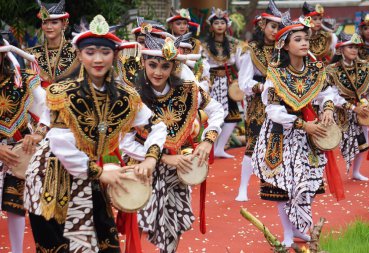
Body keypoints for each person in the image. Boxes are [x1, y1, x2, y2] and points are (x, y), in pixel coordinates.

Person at [23, 15, 167, 252]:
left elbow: (157, 125)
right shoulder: (63, 93)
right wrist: (101, 173)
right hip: (51, 178)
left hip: (90, 175)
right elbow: (60, 144)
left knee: (105, 246)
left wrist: (151, 158)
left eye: (104, 52)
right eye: (90, 52)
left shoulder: (125, 96)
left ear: (115, 55)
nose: (98, 59)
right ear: (79, 55)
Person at [120, 29, 224, 252]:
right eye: (153, 65)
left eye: (165, 66)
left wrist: (208, 140)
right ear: (144, 64)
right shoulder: (132, 95)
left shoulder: (188, 91)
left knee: (173, 223)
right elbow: (124, 141)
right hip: (142, 167)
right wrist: (165, 160)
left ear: (174, 66)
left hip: (178, 168)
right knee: (138, 220)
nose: (158, 72)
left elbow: (217, 110)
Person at [251, 13, 336, 247]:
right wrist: (301, 124)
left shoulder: (315, 70)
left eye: (305, 38)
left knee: (307, 184)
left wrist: (327, 108)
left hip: (309, 135)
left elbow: (327, 93)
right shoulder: (276, 73)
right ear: (285, 45)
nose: (305, 43)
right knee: (284, 187)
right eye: (298, 39)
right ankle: (288, 233)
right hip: (282, 134)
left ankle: (300, 229)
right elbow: (272, 110)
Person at [0, 33, 47, 253]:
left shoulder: (22, 79)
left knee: (15, 205)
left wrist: (37, 133)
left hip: (19, 150)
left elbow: (48, 108)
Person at [235, 0, 282, 201]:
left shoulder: (284, 49)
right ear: (262, 26)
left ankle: (274, 187)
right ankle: (243, 188)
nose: (276, 31)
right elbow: (244, 81)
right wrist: (261, 87)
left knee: (277, 144)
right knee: (253, 145)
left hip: (280, 102)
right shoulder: (251, 50)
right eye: (273, 26)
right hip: (258, 104)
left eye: (279, 27)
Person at [327, 32, 369, 181]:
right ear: (340, 49)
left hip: (362, 110)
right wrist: (351, 107)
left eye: (356, 47)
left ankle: (356, 172)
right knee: (337, 142)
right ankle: (329, 173)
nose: (354, 50)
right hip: (341, 110)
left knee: (363, 143)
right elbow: (331, 95)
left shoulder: (364, 66)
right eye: (350, 47)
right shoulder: (332, 70)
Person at [203, 7, 251, 158]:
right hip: (211, 82)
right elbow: (202, 64)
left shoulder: (234, 44)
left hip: (228, 83)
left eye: (222, 22)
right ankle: (209, 147)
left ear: (227, 25)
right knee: (209, 114)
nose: (219, 25)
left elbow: (240, 63)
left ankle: (219, 147)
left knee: (233, 117)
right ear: (211, 25)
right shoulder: (203, 45)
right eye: (216, 22)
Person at [27, 0, 79, 88]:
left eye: (54, 22)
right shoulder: (32, 54)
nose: (49, 27)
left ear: (64, 24)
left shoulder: (76, 51)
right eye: (45, 22)